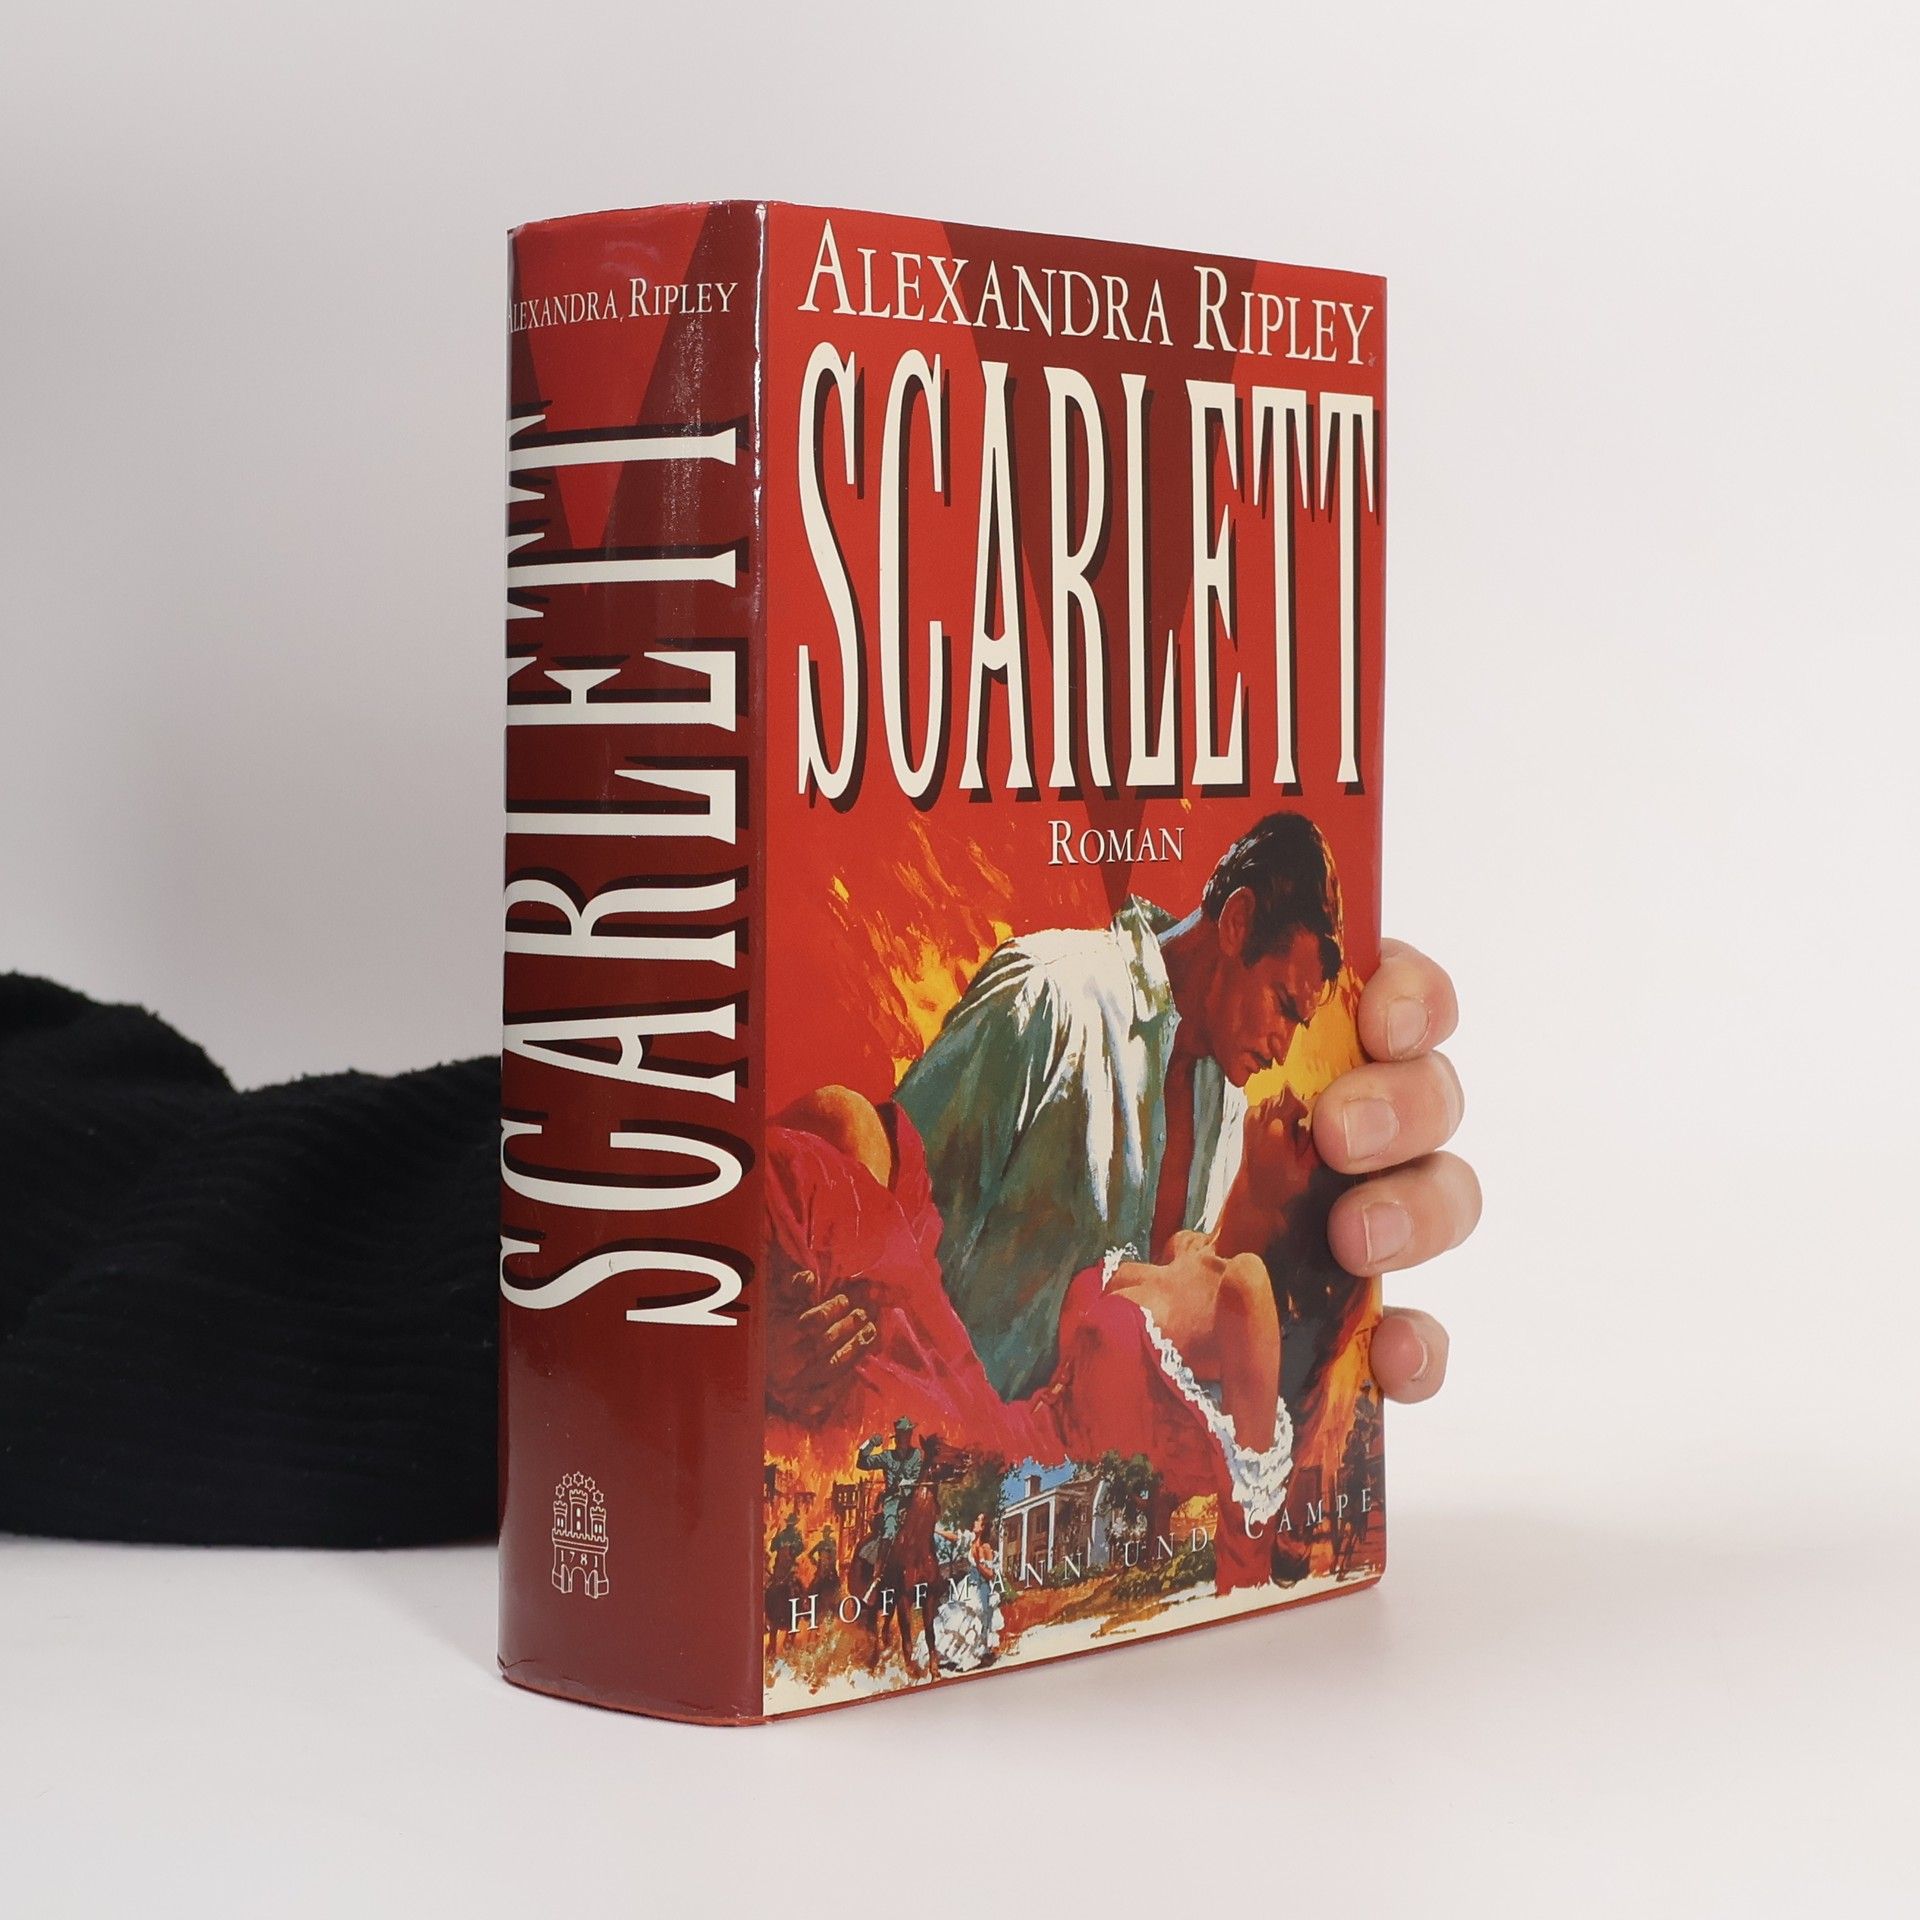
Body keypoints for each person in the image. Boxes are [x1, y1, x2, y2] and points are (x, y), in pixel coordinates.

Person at [897, 812, 1338, 1396]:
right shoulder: (1047, 996)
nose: (1284, 1049)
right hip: (943, 1428)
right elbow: (889, 1215)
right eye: (1283, 1004)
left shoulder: (1229, 1113)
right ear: (1237, 923)